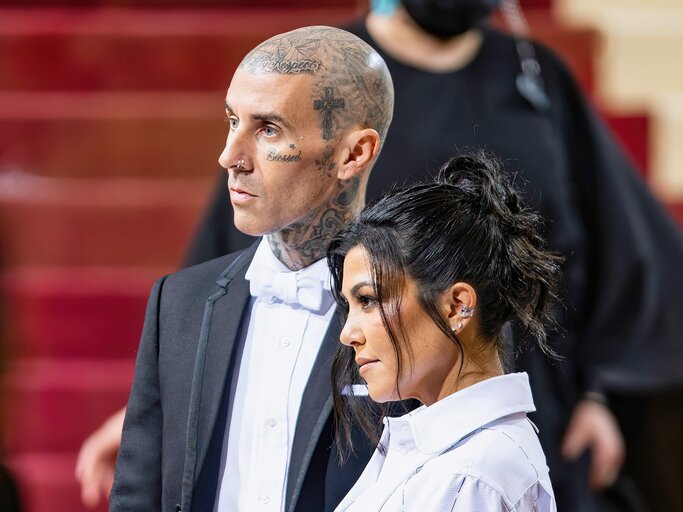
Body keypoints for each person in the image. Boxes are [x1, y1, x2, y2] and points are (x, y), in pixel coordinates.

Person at [181, 1, 683, 510]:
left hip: (533, 405)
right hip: (357, 422)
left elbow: (600, 245)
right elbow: (248, 255)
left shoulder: (536, 77)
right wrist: (182, 400)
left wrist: (599, 395)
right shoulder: (326, 79)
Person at [108, 25, 394, 511]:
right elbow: (139, 495)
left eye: (268, 129)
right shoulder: (178, 302)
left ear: (354, 153)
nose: (229, 157)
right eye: (231, 120)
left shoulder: (417, 308)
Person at [328, 152, 560, 511]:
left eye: (369, 300)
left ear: (457, 307)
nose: (348, 333)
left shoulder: (474, 475)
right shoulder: (452, 457)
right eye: (350, 306)